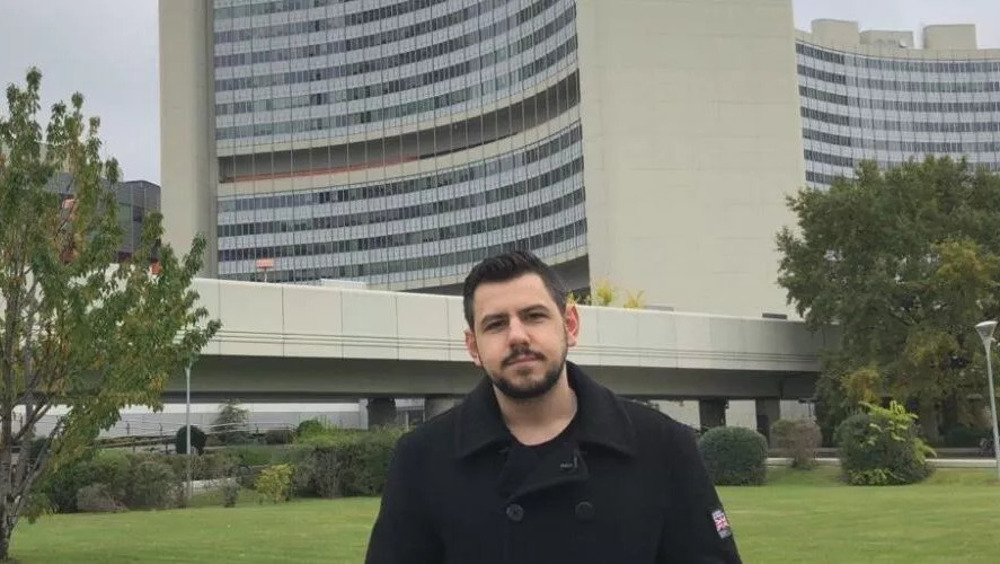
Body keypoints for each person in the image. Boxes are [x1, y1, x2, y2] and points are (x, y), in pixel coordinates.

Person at [365, 250, 742, 563]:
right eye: (495, 324)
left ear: (570, 325)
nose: (517, 336)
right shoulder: (422, 458)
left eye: (534, 316)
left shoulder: (662, 445)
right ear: (473, 347)